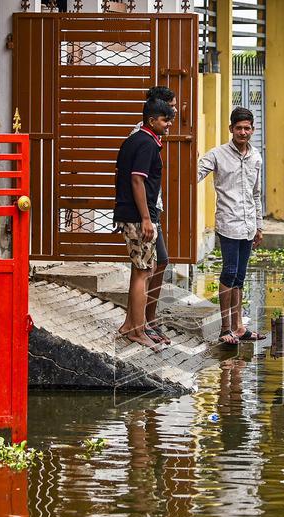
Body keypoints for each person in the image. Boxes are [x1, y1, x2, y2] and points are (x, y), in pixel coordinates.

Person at [197, 107, 265, 345]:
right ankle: (225, 327)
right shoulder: (217, 155)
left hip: (248, 226)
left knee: (240, 277)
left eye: (247, 128)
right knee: (229, 272)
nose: (243, 132)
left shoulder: (256, 157)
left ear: (252, 130)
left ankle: (239, 327)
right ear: (231, 129)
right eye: (239, 128)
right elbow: (194, 172)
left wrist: (259, 225)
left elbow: (256, 194)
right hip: (228, 223)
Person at [116, 98, 174, 348]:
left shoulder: (134, 139)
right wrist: (146, 218)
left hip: (130, 214)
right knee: (143, 272)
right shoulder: (146, 144)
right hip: (138, 217)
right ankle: (137, 332)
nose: (169, 124)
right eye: (165, 120)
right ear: (152, 121)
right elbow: (137, 181)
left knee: (141, 270)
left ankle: (130, 324)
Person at [130, 87, 178, 345]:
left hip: (150, 208)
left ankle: (141, 322)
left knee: (150, 264)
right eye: (168, 110)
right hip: (144, 212)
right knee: (149, 265)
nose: (172, 116)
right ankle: (141, 324)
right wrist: (146, 217)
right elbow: (136, 179)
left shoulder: (150, 137)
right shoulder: (143, 138)